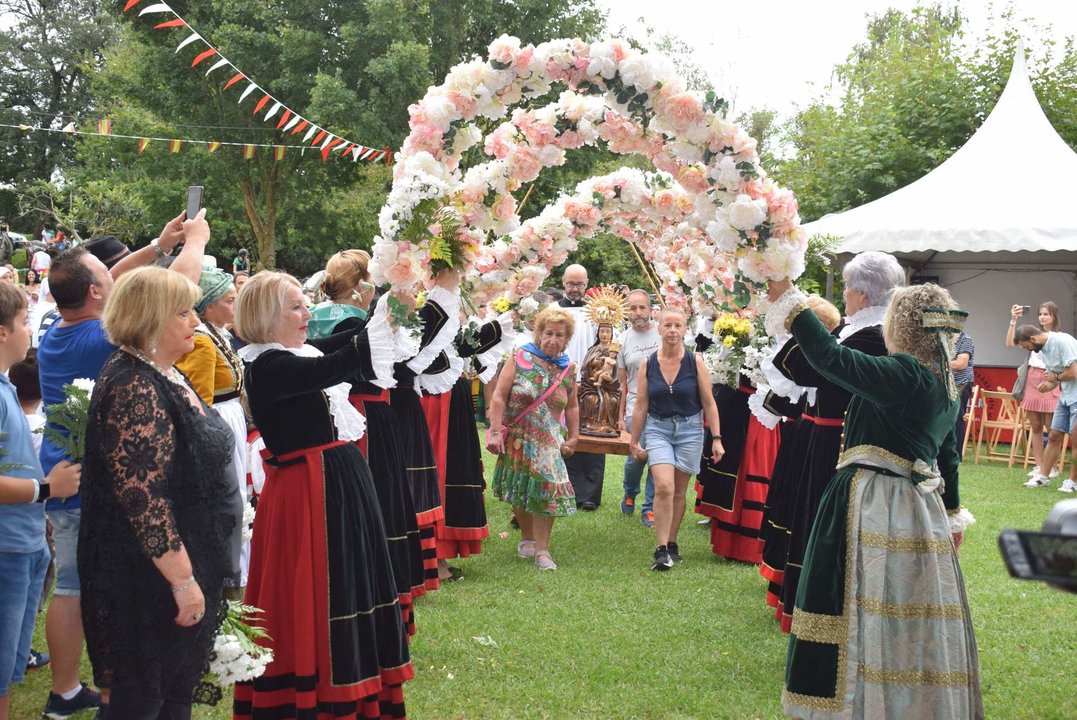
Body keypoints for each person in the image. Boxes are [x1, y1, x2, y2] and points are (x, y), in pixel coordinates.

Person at [767, 278, 981, 720]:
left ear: (901, 327)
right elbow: (949, 457)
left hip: (872, 500)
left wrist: (787, 293)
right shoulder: (944, 383)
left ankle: (855, 705)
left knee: (854, 599)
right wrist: (953, 514)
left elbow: (829, 357)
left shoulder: (904, 374)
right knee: (905, 608)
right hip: (922, 512)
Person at [37, 212, 207, 720]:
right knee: (77, 586)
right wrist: (192, 244)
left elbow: (107, 280)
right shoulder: (102, 341)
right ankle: (72, 688)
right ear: (96, 294)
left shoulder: (55, 326)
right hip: (87, 484)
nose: (118, 278)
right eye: (107, 278)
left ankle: (71, 686)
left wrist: (159, 244)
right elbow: (172, 295)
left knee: (74, 583)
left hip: (64, 472)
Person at [233, 272, 413, 720]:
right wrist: (387, 307)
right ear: (266, 315)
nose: (307, 314)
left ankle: (355, 687)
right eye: (295, 307)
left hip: (335, 482)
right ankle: (321, 691)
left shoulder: (296, 351)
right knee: (323, 589)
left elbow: (347, 342)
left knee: (350, 581)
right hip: (310, 491)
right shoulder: (268, 366)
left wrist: (395, 303)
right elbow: (339, 362)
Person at [80, 266, 242, 719]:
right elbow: (144, 501)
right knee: (141, 701)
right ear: (151, 319)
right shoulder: (134, 385)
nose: (195, 322)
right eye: (184, 312)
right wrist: (183, 582)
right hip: (147, 578)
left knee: (172, 697)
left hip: (184, 559)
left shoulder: (165, 371)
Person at [308, 249, 426, 633]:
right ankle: (380, 594)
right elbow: (403, 360)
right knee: (379, 501)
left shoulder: (309, 319)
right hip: (368, 416)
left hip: (327, 417)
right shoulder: (366, 323)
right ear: (361, 287)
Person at [0, 282, 80, 720]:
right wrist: (47, 490)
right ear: (2, 332)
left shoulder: (6, 387)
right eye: (24, 321)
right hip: (6, 546)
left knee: (10, 666)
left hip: (25, 541)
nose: (30, 330)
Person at [629, 307, 723, 571]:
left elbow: (709, 403)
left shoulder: (696, 362)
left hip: (690, 430)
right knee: (664, 487)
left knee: (679, 491)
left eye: (678, 326)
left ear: (685, 330)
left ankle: (672, 542)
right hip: (658, 429)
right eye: (667, 325)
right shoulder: (648, 363)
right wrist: (634, 440)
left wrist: (716, 438)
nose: (672, 330)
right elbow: (640, 406)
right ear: (658, 329)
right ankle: (660, 550)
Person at [488, 306, 579, 570]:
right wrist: (495, 431)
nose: (553, 340)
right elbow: (499, 395)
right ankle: (526, 537)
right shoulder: (520, 357)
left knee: (547, 488)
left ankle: (542, 550)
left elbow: (572, 405)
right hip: (518, 436)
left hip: (549, 440)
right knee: (522, 487)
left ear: (566, 339)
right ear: (538, 334)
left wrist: (573, 436)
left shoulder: (568, 368)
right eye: (548, 333)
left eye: (559, 335)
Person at [174, 268, 250, 585]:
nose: (235, 307)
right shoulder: (203, 342)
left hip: (231, 415)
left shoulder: (217, 335)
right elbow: (199, 398)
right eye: (229, 300)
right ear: (208, 305)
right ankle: (230, 571)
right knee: (227, 491)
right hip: (220, 418)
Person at [555, 264, 602, 510]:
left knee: (590, 435)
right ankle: (563, 487)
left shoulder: (596, 312)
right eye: (571, 284)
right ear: (563, 283)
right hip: (557, 380)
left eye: (580, 284)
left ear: (586, 284)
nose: (575, 289)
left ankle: (590, 495)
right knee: (560, 433)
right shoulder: (552, 310)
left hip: (590, 381)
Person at [1015, 324, 1077, 491]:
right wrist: (1049, 385)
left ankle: (1072, 481)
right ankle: (1043, 476)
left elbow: (1073, 372)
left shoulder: (1063, 342)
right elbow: (1057, 376)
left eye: (1027, 347)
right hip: (1066, 395)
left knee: (1075, 440)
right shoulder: (1043, 349)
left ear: (1033, 339)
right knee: (1054, 435)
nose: (1029, 350)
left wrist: (1055, 377)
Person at [617, 290, 660, 524]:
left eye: (642, 308)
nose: (638, 313)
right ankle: (630, 491)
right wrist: (621, 414)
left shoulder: (663, 333)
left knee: (657, 457)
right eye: (633, 308)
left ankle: (649, 507)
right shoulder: (622, 340)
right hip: (635, 406)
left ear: (650, 309)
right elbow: (621, 384)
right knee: (637, 457)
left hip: (662, 407)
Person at [1007, 302, 1062, 482]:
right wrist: (1013, 321)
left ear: (1054, 316)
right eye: (1040, 314)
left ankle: (1051, 467)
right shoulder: (1032, 335)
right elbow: (1009, 343)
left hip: (1050, 379)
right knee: (1035, 426)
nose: (1042, 317)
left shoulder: (1058, 337)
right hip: (1031, 376)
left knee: (1051, 427)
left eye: (1046, 314)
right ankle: (1039, 465)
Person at [951, 330, 975, 458]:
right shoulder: (941, 337)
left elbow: (961, 364)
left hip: (961, 383)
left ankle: (955, 454)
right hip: (943, 383)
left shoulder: (965, 339)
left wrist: (938, 364)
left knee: (956, 417)